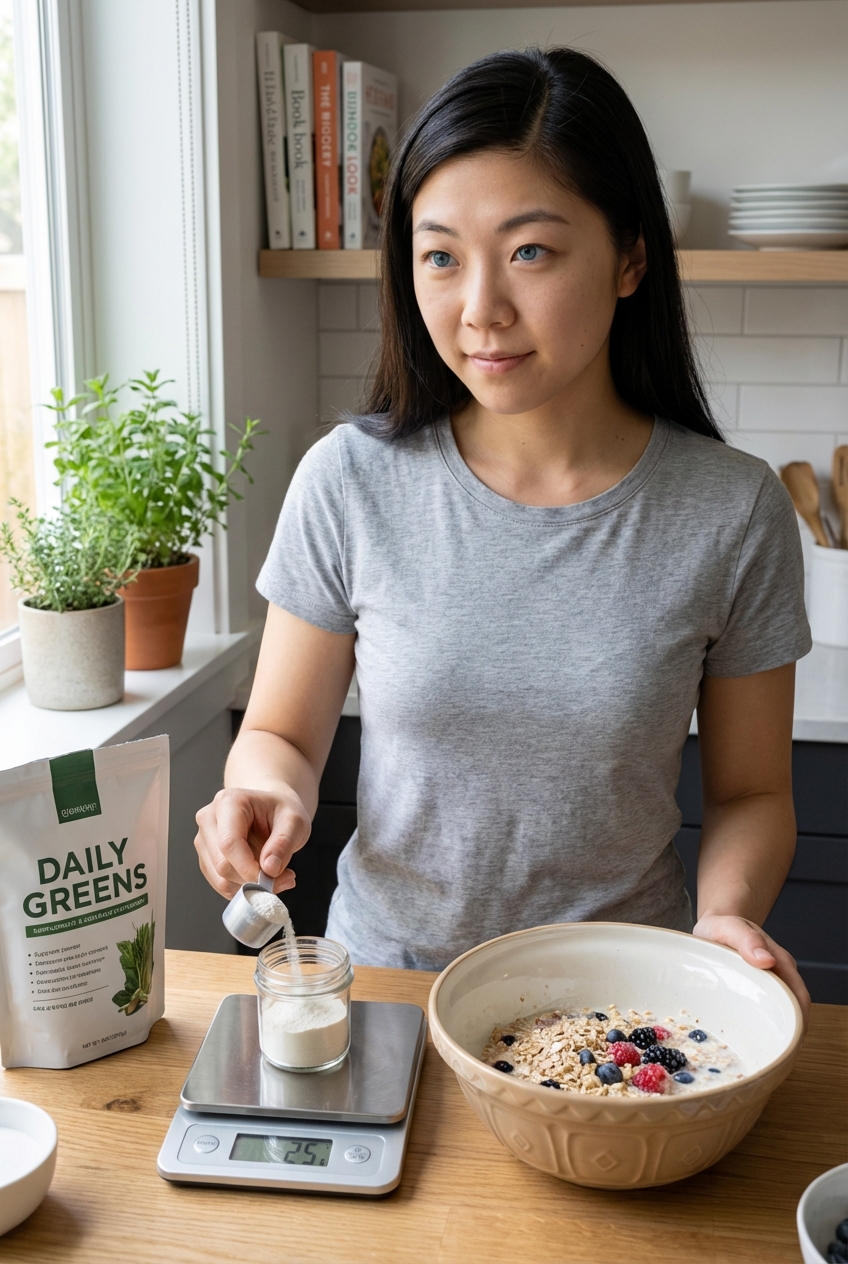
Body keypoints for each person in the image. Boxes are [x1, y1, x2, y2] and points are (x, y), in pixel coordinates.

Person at [194, 47, 812, 1019]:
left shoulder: (730, 512)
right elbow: (277, 732)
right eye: (439, 254)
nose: (478, 309)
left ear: (629, 258)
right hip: (385, 995)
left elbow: (748, 795)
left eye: (529, 250)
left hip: (618, 1004)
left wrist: (722, 918)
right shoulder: (349, 481)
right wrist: (263, 792)